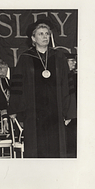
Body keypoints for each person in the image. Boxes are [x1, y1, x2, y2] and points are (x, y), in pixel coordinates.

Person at [8, 19, 76, 158]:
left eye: (47, 33)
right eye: (40, 34)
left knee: (56, 147)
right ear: (33, 38)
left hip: (55, 112)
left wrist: (68, 112)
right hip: (33, 113)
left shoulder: (59, 57)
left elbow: (66, 85)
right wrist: (15, 109)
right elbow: (17, 86)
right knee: (36, 149)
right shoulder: (25, 58)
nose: (45, 36)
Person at [65, 53, 77, 157]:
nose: (75, 63)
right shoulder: (62, 77)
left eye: (75, 60)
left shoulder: (75, 77)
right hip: (67, 111)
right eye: (71, 61)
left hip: (75, 110)